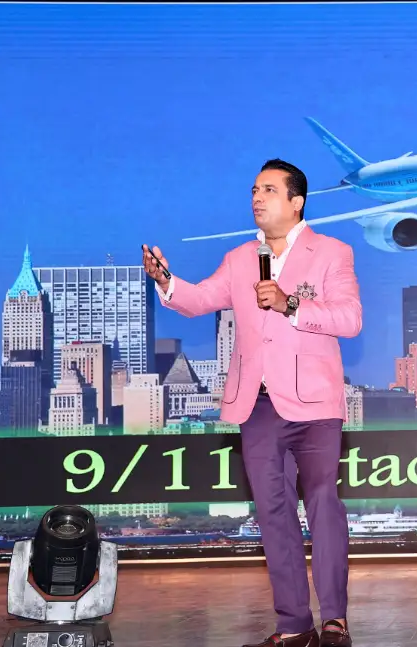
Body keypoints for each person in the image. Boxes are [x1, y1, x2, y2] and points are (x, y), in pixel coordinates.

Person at [143, 159, 362, 647]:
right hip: (257, 406)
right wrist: (166, 281)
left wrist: (290, 303)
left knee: (323, 504)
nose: (257, 198)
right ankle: (295, 625)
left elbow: (350, 319)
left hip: (314, 403)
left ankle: (335, 620)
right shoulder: (241, 257)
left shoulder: (332, 252)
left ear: (296, 201)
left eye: (268, 190)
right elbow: (200, 299)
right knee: (272, 514)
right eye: (253, 191)